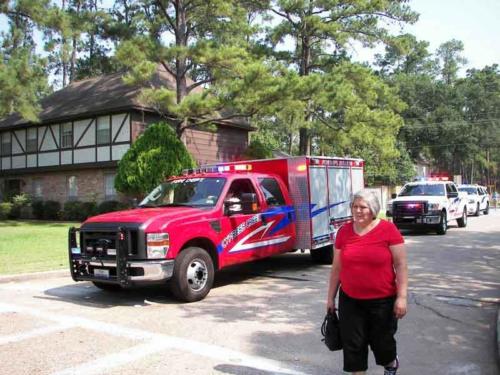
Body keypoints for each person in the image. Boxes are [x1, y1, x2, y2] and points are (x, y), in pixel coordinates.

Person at [326, 189, 408, 375]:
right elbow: (336, 268)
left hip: (382, 301)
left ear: (372, 209)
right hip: (350, 300)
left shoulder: (388, 230)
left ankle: (391, 363)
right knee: (353, 347)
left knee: (382, 344)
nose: (358, 210)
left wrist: (402, 297)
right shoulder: (344, 232)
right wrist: (330, 298)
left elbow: (401, 265)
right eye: (355, 206)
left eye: (362, 207)